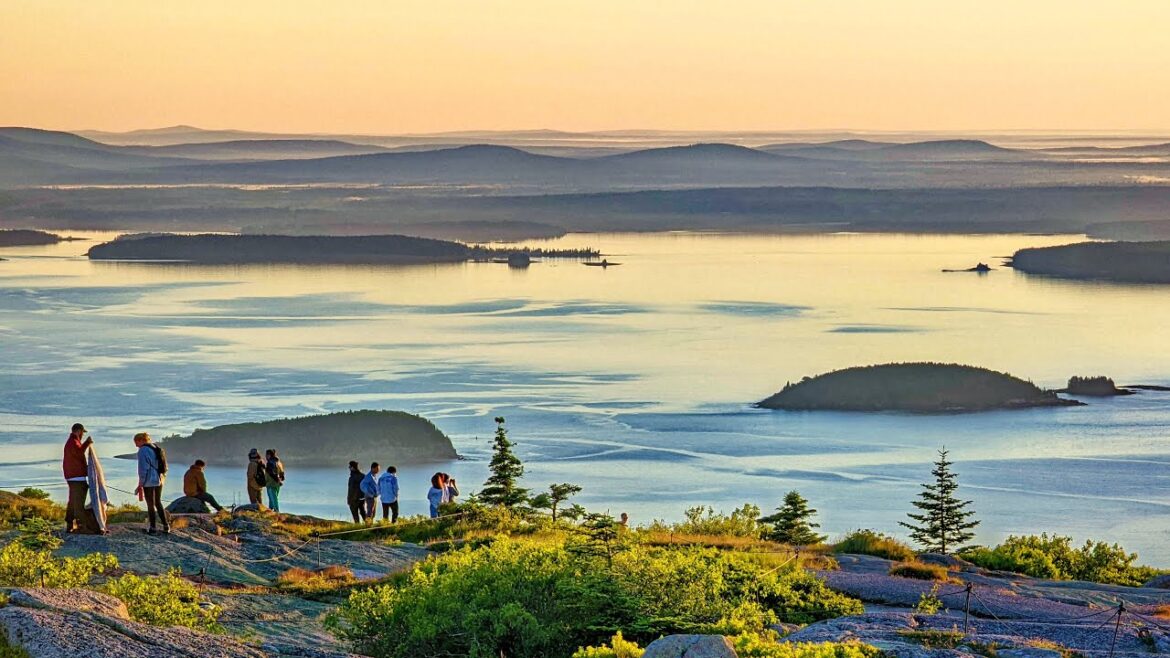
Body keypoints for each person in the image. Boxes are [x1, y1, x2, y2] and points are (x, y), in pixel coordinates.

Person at [134, 432, 169, 535]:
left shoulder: (142, 450)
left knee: (150, 504)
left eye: (136, 442)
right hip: (160, 478)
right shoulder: (155, 447)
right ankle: (166, 526)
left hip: (149, 480)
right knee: (158, 502)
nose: (136, 445)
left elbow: (143, 469)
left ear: (141, 440)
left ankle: (153, 527)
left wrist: (140, 483)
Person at [62, 423, 93, 533]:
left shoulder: (72, 442)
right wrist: (87, 443)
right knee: (79, 502)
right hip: (76, 477)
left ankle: (70, 524)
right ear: (79, 431)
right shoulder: (73, 442)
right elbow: (79, 453)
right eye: (82, 432)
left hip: (73, 476)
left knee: (73, 502)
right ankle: (82, 526)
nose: (82, 435)